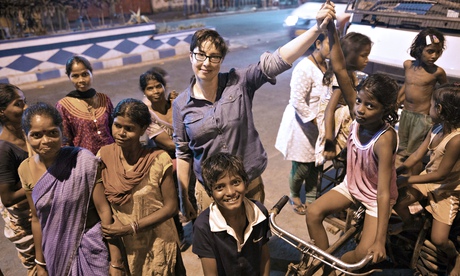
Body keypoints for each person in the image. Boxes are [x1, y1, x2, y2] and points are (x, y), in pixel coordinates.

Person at [173, 3, 337, 220]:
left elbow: (279, 60)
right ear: (191, 56)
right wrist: (183, 196)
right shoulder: (180, 104)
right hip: (210, 191)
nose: (206, 63)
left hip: (248, 183)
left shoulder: (239, 82)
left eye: (214, 57)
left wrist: (316, 29)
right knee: (219, 249)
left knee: (255, 243)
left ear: (221, 61)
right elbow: (183, 152)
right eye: (200, 55)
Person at [306, 20, 400, 270]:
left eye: (370, 106)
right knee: (313, 212)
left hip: (373, 198)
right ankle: (325, 263)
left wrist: (380, 240)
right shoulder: (356, 113)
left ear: (386, 110)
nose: (360, 109)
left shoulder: (384, 139)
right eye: (359, 101)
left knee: (362, 257)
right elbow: (338, 65)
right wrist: (330, 27)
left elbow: (382, 193)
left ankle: (337, 264)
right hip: (351, 186)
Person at [18, 102, 123, 276]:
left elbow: (104, 211)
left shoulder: (84, 161)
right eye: (36, 135)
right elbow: (37, 219)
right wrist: (40, 263)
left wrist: (116, 261)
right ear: (26, 136)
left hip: (92, 249)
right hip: (56, 254)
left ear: (62, 131)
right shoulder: (25, 169)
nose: (45, 141)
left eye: (53, 133)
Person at [98, 98, 186, 275]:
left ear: (143, 130)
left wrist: (131, 227)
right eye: (117, 126)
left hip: (159, 242)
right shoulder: (104, 156)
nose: (121, 133)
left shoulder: (159, 159)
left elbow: (170, 207)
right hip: (125, 245)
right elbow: (102, 206)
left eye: (129, 129)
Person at [392, 83, 460, 274]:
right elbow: (415, 156)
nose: (428, 108)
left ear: (439, 109)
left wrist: (407, 180)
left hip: (447, 190)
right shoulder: (437, 129)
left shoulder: (456, 140)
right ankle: (409, 223)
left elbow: (441, 175)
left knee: (439, 239)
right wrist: (398, 171)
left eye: (431, 104)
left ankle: (455, 255)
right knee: (398, 201)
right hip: (426, 181)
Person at [275, 32, 334, 215]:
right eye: (329, 45)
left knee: (317, 165)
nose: (333, 50)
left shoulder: (329, 66)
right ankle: (294, 195)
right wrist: (317, 121)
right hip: (303, 125)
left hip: (321, 125)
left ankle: (311, 197)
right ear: (318, 43)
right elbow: (297, 100)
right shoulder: (304, 68)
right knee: (301, 167)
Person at [192, 152, 270, 276]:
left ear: (246, 183)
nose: (230, 192)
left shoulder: (258, 212)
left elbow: (264, 257)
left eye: (236, 182)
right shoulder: (203, 227)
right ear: (210, 192)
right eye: (219, 187)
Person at [316, 32, 372, 164]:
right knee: (358, 114)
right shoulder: (342, 78)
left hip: (337, 112)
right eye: (363, 55)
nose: (367, 60)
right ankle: (341, 150)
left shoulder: (351, 74)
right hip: (329, 115)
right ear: (350, 56)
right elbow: (329, 109)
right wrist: (329, 141)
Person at [397, 28, 447, 175]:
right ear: (419, 49)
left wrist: (438, 115)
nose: (434, 56)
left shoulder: (437, 72)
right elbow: (407, 85)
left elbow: (444, 92)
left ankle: (412, 182)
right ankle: (401, 178)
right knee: (402, 149)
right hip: (406, 114)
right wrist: (395, 103)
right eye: (430, 51)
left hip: (422, 118)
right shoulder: (407, 65)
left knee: (416, 153)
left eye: (437, 52)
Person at [0, 83, 36, 275]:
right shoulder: (4, 149)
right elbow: (7, 198)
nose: (25, 108)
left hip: (39, 213)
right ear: (2, 112)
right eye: (18, 104)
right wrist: (40, 181)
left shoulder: (26, 134)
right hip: (24, 223)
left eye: (25, 102)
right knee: (39, 268)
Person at [56, 55, 114, 155]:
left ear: (91, 73)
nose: (81, 80)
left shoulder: (104, 99)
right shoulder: (63, 106)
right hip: (84, 161)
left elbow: (114, 129)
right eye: (75, 76)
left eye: (85, 74)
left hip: (112, 156)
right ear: (69, 77)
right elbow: (64, 142)